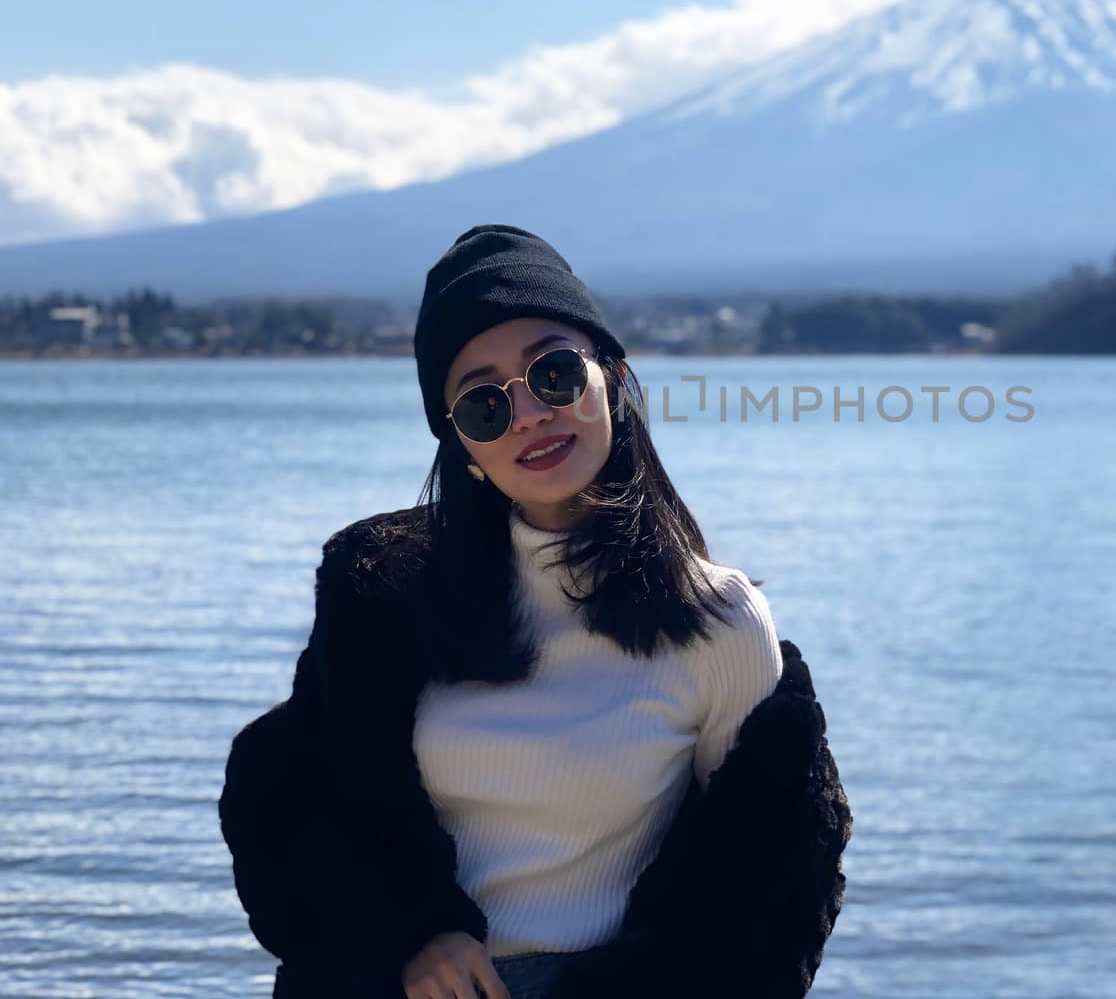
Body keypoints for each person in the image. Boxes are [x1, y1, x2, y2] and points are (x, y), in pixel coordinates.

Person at [218, 225, 851, 999]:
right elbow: (300, 807)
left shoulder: (717, 620)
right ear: (462, 446)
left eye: (553, 373)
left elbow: (766, 879)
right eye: (484, 405)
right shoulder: (382, 598)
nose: (527, 414)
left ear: (611, 377)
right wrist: (410, 935)